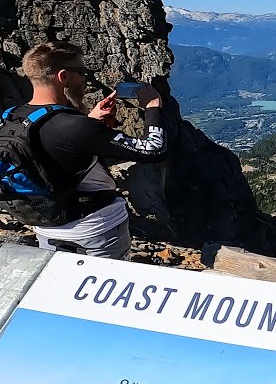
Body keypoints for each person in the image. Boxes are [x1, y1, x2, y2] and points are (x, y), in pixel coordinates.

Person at [14, 40, 169, 260]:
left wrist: (91, 121)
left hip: (47, 228)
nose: (85, 78)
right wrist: (153, 108)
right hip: (95, 231)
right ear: (63, 77)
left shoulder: (13, 117)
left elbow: (55, 152)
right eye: (81, 71)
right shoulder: (73, 126)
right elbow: (153, 149)